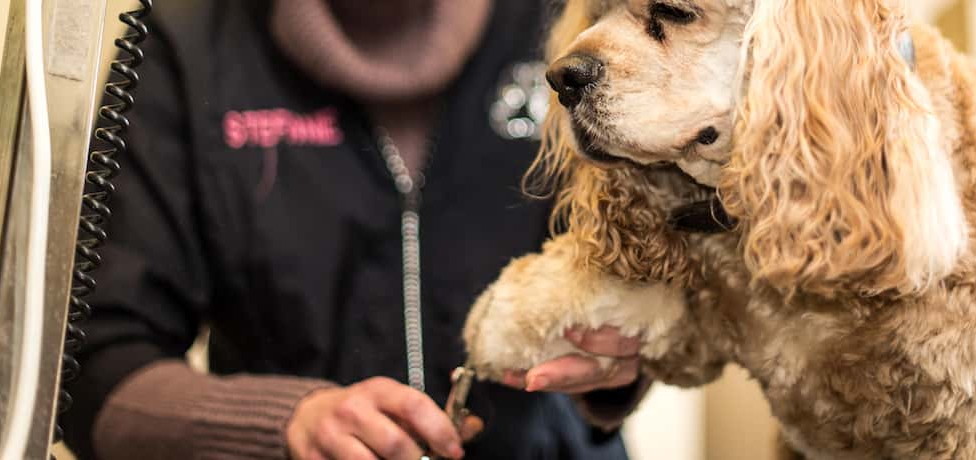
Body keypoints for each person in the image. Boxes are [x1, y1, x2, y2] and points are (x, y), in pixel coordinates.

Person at [62, 0, 652, 458]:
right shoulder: (187, 44)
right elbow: (96, 369)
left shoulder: (570, 23)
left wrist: (625, 353)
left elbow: (662, 274)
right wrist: (286, 423)